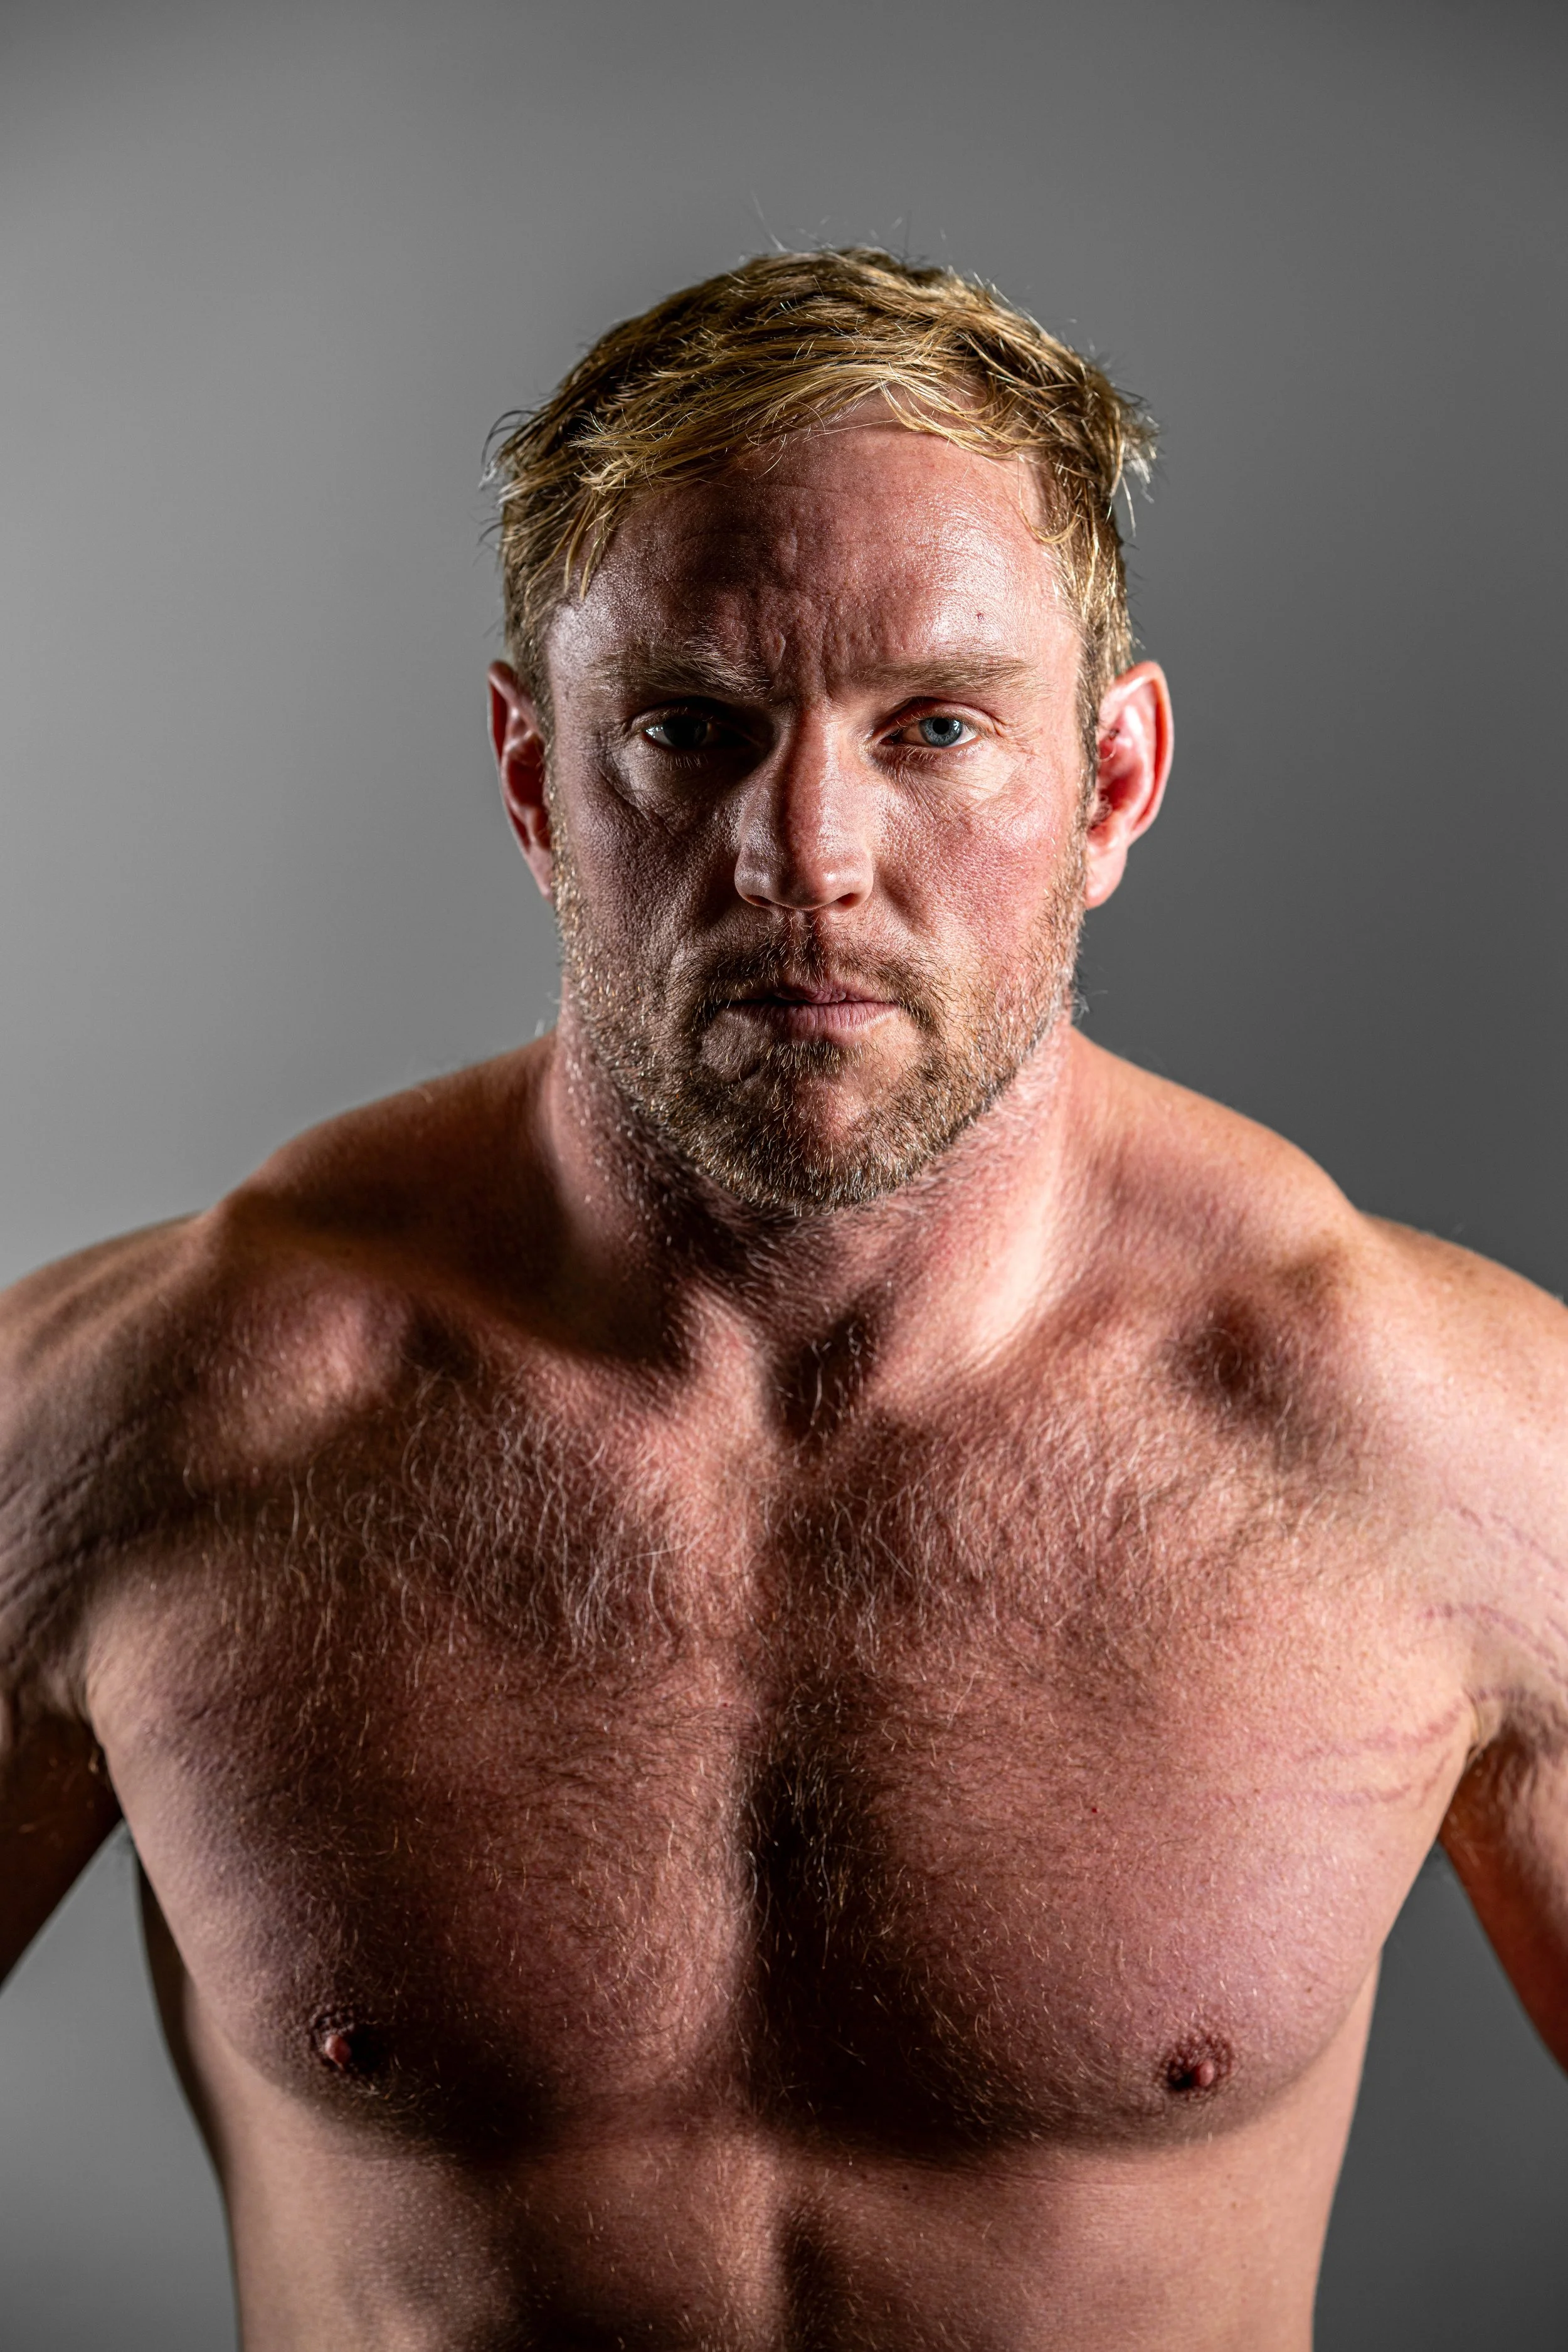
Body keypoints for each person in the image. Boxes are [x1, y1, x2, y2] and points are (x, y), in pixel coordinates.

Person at [1, 246, 1564, 2351]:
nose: (805, 851)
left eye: (935, 727)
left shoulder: (1449, 1441)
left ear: (1110, 781)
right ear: (534, 778)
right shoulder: (140, 1421)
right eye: (689, 729)